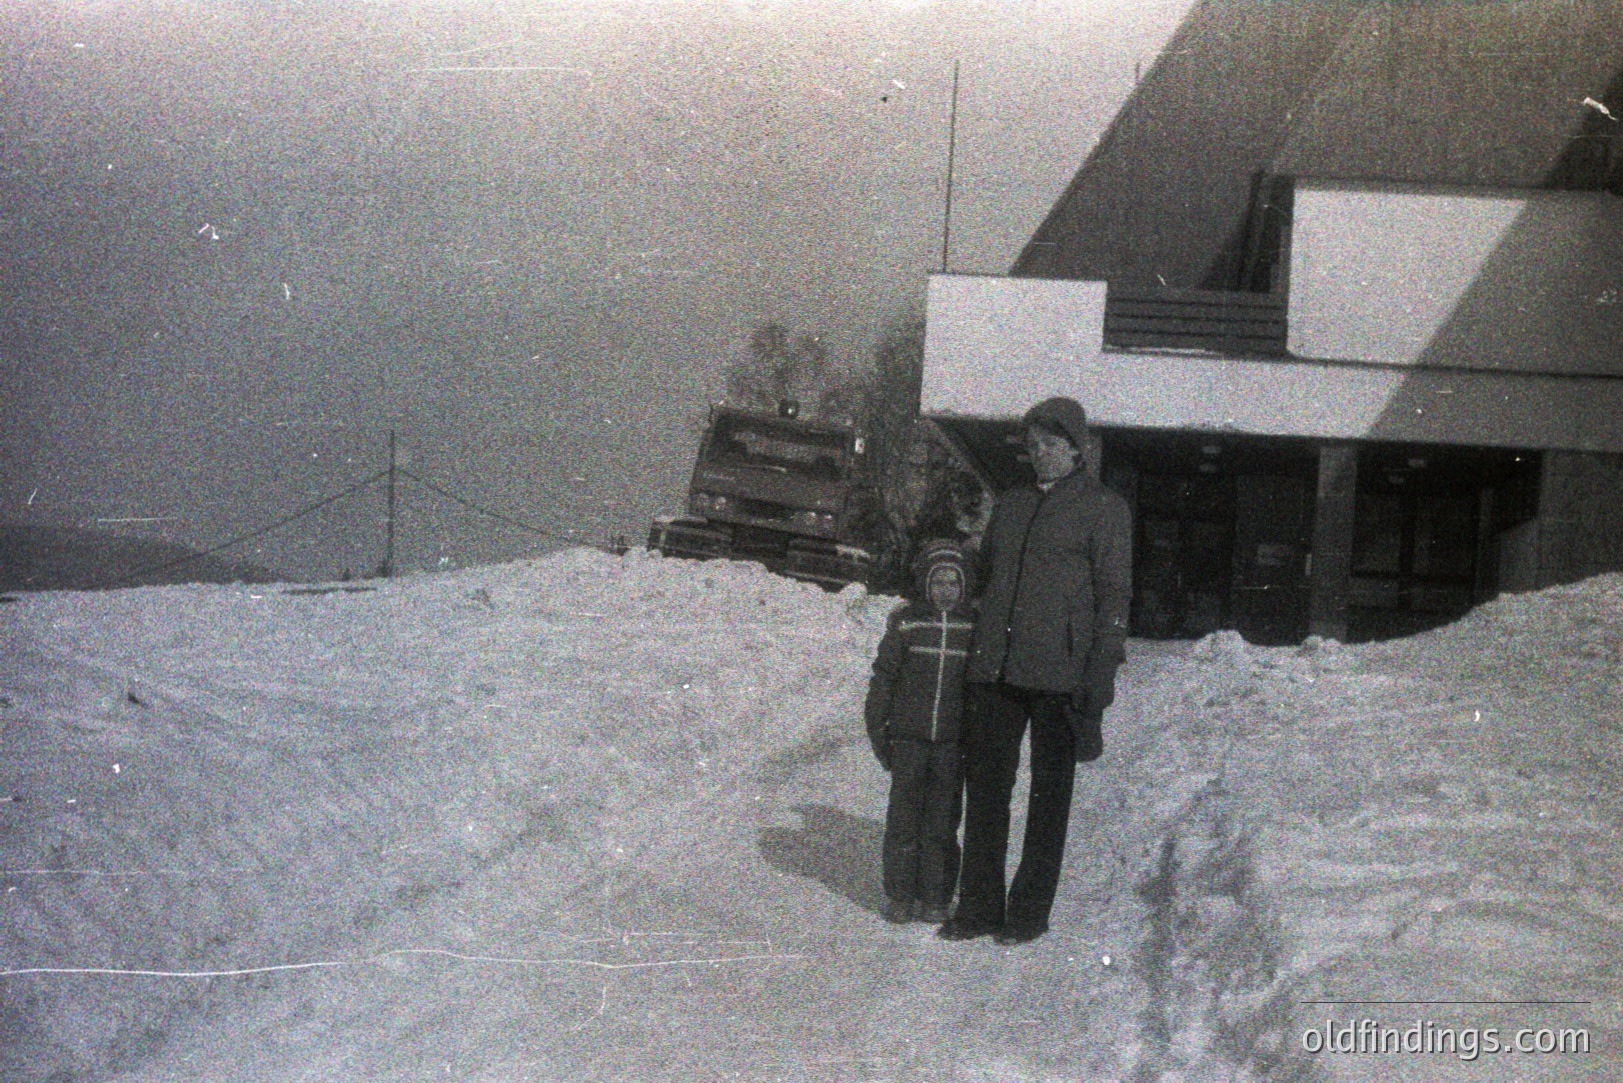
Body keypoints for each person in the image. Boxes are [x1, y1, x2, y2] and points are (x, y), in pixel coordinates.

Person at [938, 396, 1132, 946]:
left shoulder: (1104, 508)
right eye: (1033, 445)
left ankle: (1027, 913)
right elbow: (989, 573)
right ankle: (977, 908)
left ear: (1077, 448)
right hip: (997, 670)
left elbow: (1116, 595)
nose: (1040, 454)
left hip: (1061, 674)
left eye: (1051, 444)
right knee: (987, 791)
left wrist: (1100, 676)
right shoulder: (1013, 502)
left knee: (1050, 799)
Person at [864, 540, 978, 924]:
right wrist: (881, 734)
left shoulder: (972, 627)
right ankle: (900, 895)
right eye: (938, 582)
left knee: (942, 824)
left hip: (951, 744)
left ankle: (936, 896)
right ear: (925, 586)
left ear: (964, 587)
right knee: (904, 821)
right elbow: (884, 679)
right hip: (909, 742)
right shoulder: (907, 623)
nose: (945, 591)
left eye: (953, 583)